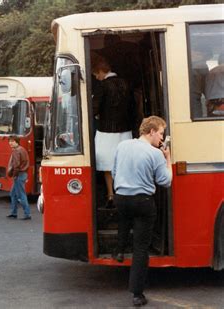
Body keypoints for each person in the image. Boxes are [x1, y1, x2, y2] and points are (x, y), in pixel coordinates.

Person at [112, 116, 172, 307]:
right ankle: (137, 294)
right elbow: (165, 181)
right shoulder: (155, 154)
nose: (161, 139)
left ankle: (119, 250)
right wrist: (167, 159)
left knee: (124, 220)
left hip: (121, 197)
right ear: (152, 131)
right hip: (143, 201)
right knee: (140, 248)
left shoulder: (122, 146)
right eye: (161, 133)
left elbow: (114, 172)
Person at [92, 56, 134, 208]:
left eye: (97, 74)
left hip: (106, 131)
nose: (97, 77)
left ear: (102, 71)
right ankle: (125, 193)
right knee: (124, 164)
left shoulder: (102, 86)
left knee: (107, 165)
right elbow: (132, 107)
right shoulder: (125, 84)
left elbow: (94, 109)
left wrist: (97, 114)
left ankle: (111, 195)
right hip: (125, 130)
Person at [6, 135, 31, 220]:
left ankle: (27, 214)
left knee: (21, 195)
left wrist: (14, 175)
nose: (10, 143)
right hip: (23, 173)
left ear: (17, 142)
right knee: (13, 193)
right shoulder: (23, 149)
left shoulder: (16, 151)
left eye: (12, 141)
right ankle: (13, 213)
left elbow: (16, 165)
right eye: (9, 141)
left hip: (19, 174)